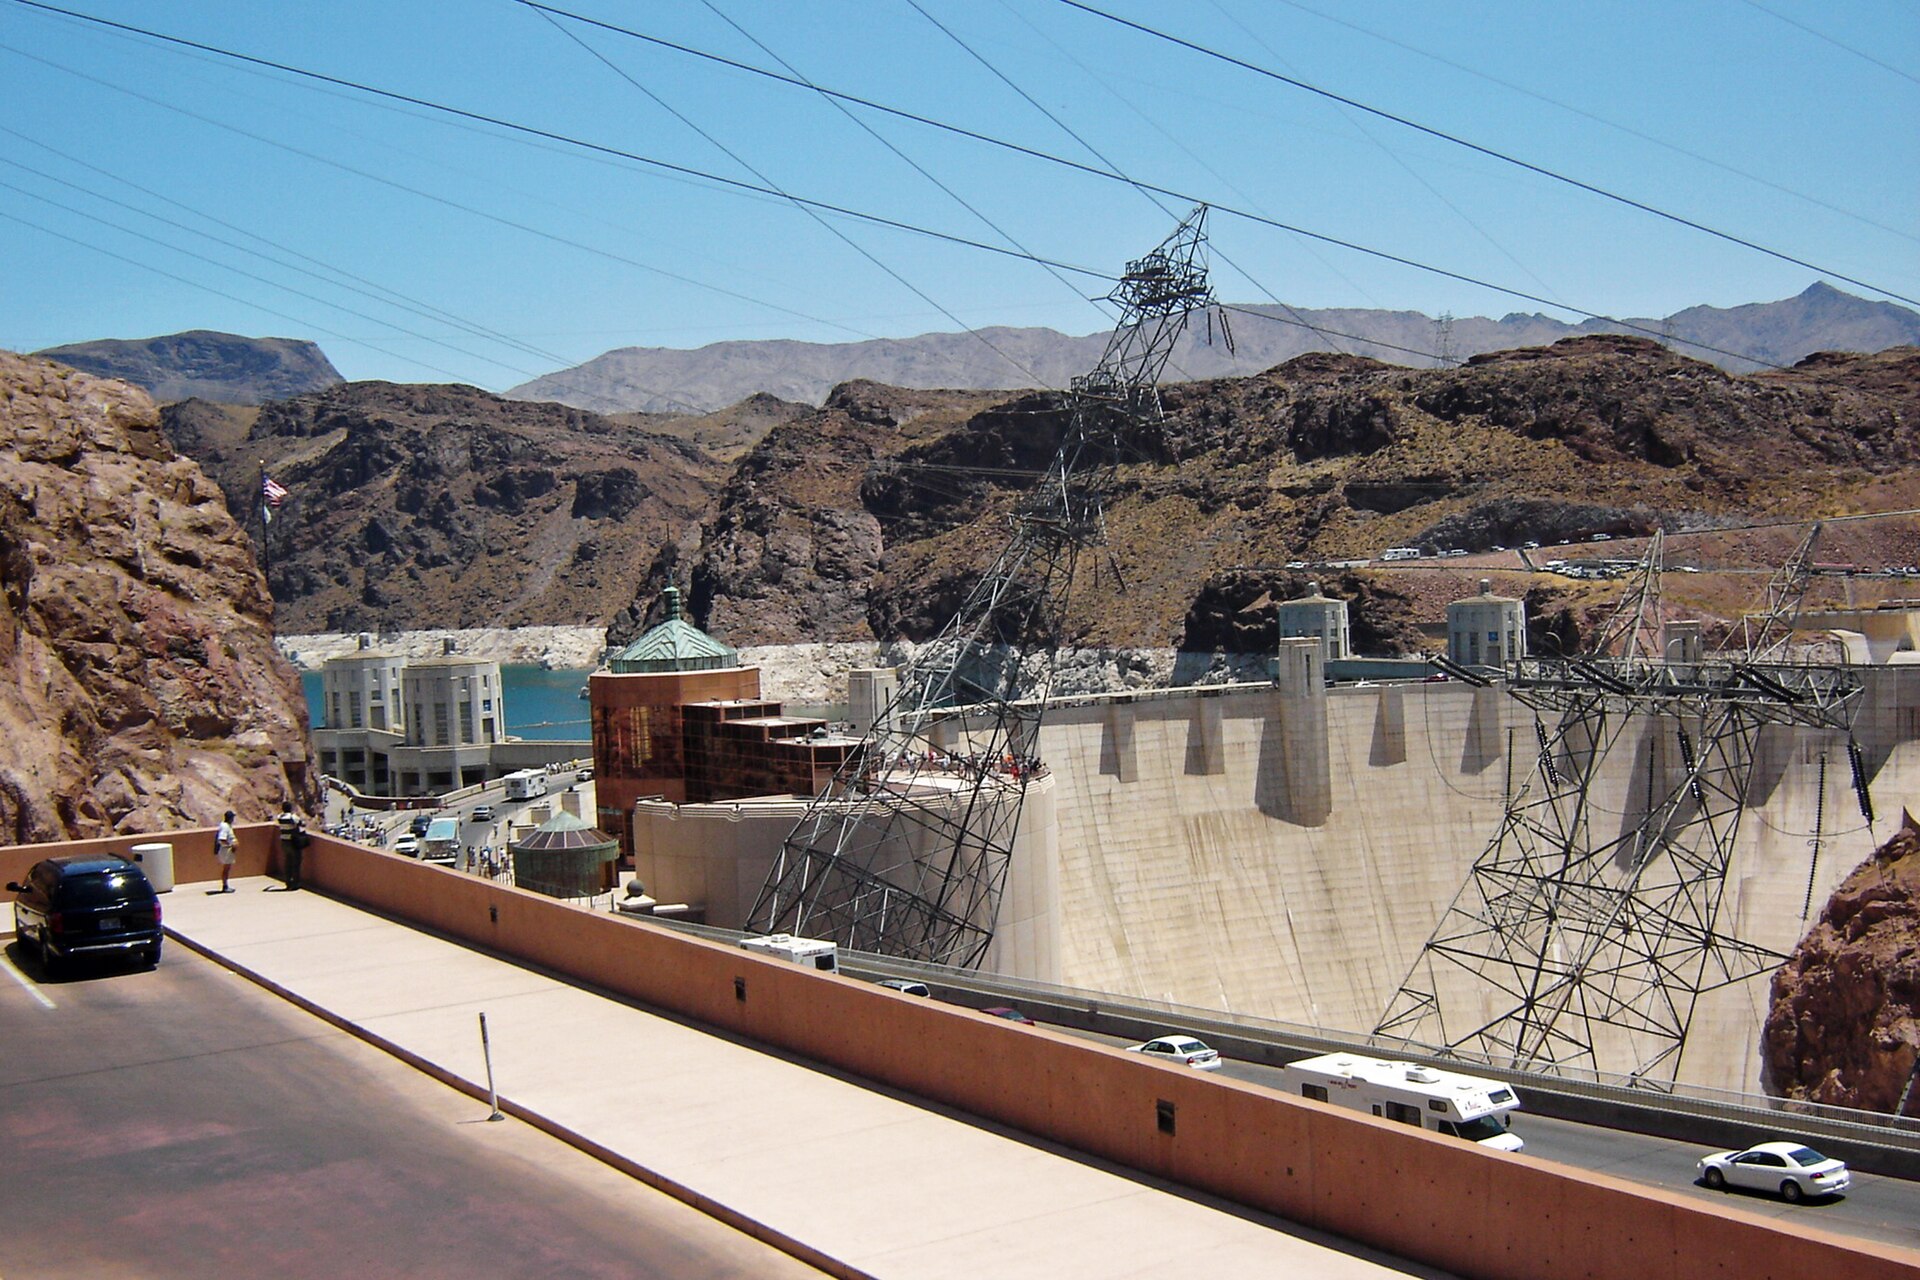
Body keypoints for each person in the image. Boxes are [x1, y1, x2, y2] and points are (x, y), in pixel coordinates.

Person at [276, 803, 304, 890]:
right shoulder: (292, 817)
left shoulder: (280, 817)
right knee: (296, 863)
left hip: (284, 842)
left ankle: (288, 882)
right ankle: (295, 883)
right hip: (293, 842)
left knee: (288, 863)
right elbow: (301, 823)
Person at [214, 810, 238, 892]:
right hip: (226, 851)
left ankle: (225, 885)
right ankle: (225, 886)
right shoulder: (225, 827)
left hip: (227, 850)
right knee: (226, 869)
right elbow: (221, 839)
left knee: (227, 869)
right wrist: (231, 845)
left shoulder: (226, 826)